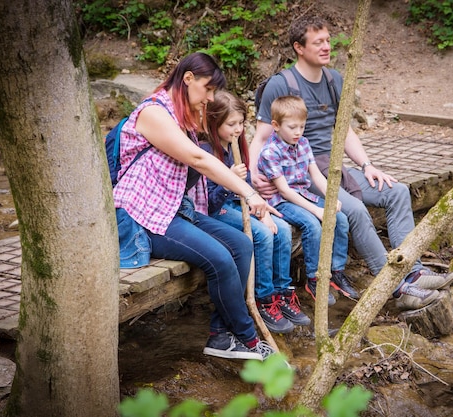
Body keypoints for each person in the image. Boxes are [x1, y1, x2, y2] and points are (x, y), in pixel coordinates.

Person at [249, 16, 453, 311]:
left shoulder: (335, 80)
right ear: (299, 47)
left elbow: (344, 130)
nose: (326, 46)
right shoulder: (281, 85)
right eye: (318, 42)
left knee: (396, 191)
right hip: (303, 174)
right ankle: (395, 285)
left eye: (328, 40)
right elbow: (260, 137)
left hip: (336, 169)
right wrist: (255, 178)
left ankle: (413, 270)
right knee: (356, 210)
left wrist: (367, 165)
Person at [113, 52, 276, 360]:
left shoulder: (181, 114)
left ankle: (220, 335)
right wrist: (251, 194)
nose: (210, 97)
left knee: (240, 245)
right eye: (207, 89)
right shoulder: (153, 113)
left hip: (175, 208)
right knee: (220, 259)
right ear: (188, 79)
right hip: (143, 215)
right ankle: (249, 338)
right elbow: (199, 159)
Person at [200, 90, 310, 334]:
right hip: (217, 212)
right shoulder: (206, 151)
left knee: (280, 228)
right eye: (231, 124)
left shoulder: (236, 144)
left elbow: (247, 186)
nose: (238, 129)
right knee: (261, 234)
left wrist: (262, 209)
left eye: (241, 123)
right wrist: (228, 179)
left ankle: (281, 291)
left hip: (239, 205)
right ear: (214, 121)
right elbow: (209, 203)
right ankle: (263, 297)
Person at [257, 95, 360, 307]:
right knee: (313, 225)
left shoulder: (303, 143)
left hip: (303, 195)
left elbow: (316, 176)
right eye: (292, 127)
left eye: (302, 127)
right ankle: (314, 278)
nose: (298, 132)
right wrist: (316, 210)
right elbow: (284, 191)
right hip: (281, 201)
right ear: (275, 126)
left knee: (339, 217)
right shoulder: (270, 152)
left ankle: (336, 271)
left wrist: (331, 200)